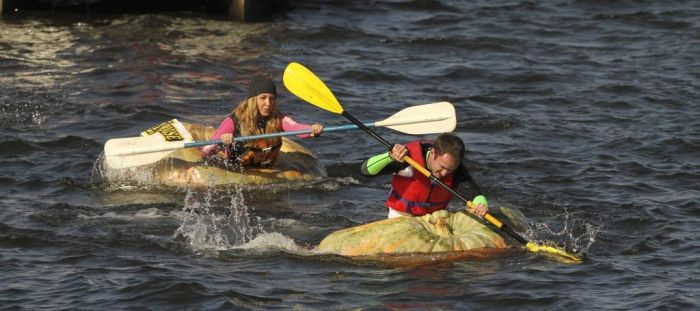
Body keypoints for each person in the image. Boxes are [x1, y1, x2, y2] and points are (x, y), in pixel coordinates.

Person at [201, 74, 324, 169]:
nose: (268, 104)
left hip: (264, 166)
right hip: (237, 167)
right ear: (253, 99)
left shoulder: (277, 117)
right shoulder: (234, 120)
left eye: (272, 99)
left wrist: (312, 130)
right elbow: (205, 151)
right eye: (263, 98)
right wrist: (222, 142)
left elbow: (296, 128)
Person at [360, 133, 489, 219]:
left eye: (450, 170)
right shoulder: (407, 158)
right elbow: (365, 170)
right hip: (402, 216)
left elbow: (473, 192)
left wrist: (481, 205)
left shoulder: (455, 169)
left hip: (435, 219)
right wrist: (389, 156)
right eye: (442, 167)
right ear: (433, 153)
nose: (445, 174)